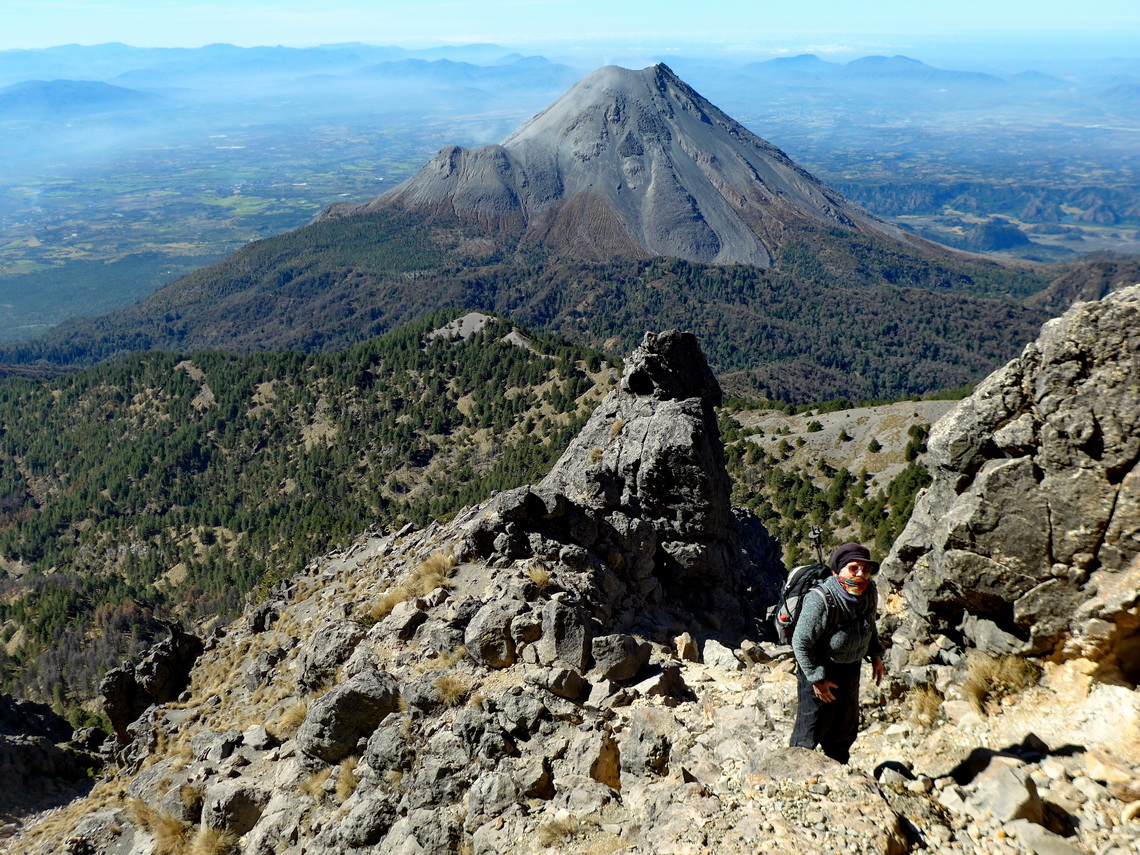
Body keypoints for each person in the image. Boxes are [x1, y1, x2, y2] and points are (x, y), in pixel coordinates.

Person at [789, 542, 885, 764]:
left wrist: (876, 656)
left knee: (844, 726)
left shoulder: (868, 592)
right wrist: (816, 679)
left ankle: (839, 769)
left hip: (851, 667)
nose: (861, 574)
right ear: (837, 571)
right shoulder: (820, 599)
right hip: (820, 668)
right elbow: (800, 642)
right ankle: (797, 773)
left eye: (866, 569)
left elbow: (869, 625)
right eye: (854, 568)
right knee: (811, 728)